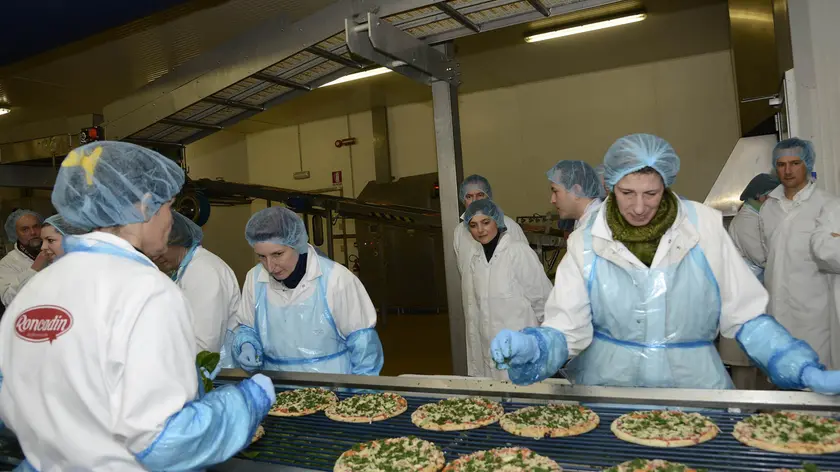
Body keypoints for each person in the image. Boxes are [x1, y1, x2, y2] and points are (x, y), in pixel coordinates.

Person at [490, 133, 840, 394]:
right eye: (627, 193)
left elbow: (747, 317)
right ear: (610, 186)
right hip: (610, 389)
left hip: (694, 388)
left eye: (651, 193)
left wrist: (798, 366)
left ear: (666, 184)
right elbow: (567, 327)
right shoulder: (586, 241)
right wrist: (534, 346)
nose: (639, 207)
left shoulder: (702, 227)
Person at [0, 141, 274, 471]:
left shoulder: (35, 290)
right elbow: (163, 443)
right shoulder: (145, 289)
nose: (171, 222)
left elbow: (11, 405)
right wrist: (246, 404)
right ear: (144, 206)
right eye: (168, 207)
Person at [231, 206, 384, 374]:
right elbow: (247, 327)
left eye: (277, 254)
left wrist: (360, 388)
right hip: (274, 385)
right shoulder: (255, 279)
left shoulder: (336, 279)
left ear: (296, 244)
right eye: (262, 256)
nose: (270, 266)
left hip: (332, 384)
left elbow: (363, 344)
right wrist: (247, 345)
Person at [760, 138, 840, 369]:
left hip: (815, 314)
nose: (787, 170)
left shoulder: (828, 205)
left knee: (816, 373)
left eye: (795, 163)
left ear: (807, 164)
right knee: (782, 374)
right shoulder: (768, 207)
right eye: (781, 164)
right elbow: (768, 256)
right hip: (777, 310)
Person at [462, 199, 552, 379]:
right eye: (473, 225)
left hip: (523, 351)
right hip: (492, 353)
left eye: (485, 222)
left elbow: (543, 299)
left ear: (497, 221)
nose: (480, 230)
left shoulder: (518, 252)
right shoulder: (476, 260)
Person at [152, 211, 240, 353]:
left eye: (161, 249)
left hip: (213, 365)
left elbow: (205, 345)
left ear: (178, 239)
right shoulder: (187, 269)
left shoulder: (203, 270)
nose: (156, 257)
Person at [728, 173, 780, 282]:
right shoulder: (745, 222)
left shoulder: (760, 216)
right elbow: (763, 258)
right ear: (759, 197)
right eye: (773, 197)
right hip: (749, 283)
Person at [0, 209, 48, 306]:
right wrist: (34, 269)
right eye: (25, 229)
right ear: (15, 233)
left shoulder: (55, 251)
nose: (33, 232)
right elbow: (8, 299)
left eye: (36, 227)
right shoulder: (7, 263)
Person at [546, 160, 604, 230]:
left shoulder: (595, 228)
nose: (552, 200)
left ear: (576, 191)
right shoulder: (586, 221)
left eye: (555, 191)